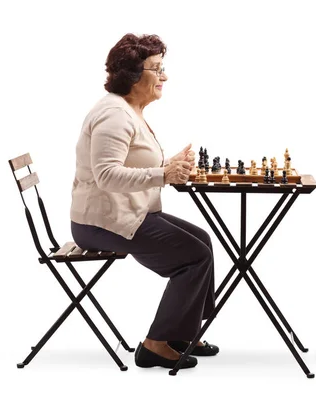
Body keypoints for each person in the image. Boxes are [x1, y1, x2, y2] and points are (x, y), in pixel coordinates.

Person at [70, 33, 218, 370]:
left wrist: (168, 166)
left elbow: (134, 165)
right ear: (133, 75)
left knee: (203, 241)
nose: (164, 76)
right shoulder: (114, 115)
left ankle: (182, 333)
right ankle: (154, 345)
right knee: (194, 256)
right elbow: (107, 175)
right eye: (157, 68)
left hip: (126, 214)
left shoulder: (129, 110)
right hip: (100, 222)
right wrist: (164, 174)